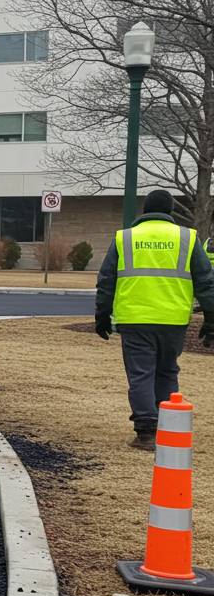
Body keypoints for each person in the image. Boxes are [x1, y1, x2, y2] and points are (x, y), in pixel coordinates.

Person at [95, 189, 214, 450]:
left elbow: (106, 280)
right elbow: (206, 281)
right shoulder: (187, 238)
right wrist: (211, 318)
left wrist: (102, 314)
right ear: (170, 210)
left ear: (145, 210)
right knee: (167, 371)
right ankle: (168, 427)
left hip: (135, 319)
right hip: (173, 319)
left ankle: (146, 433)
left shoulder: (125, 238)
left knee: (141, 374)